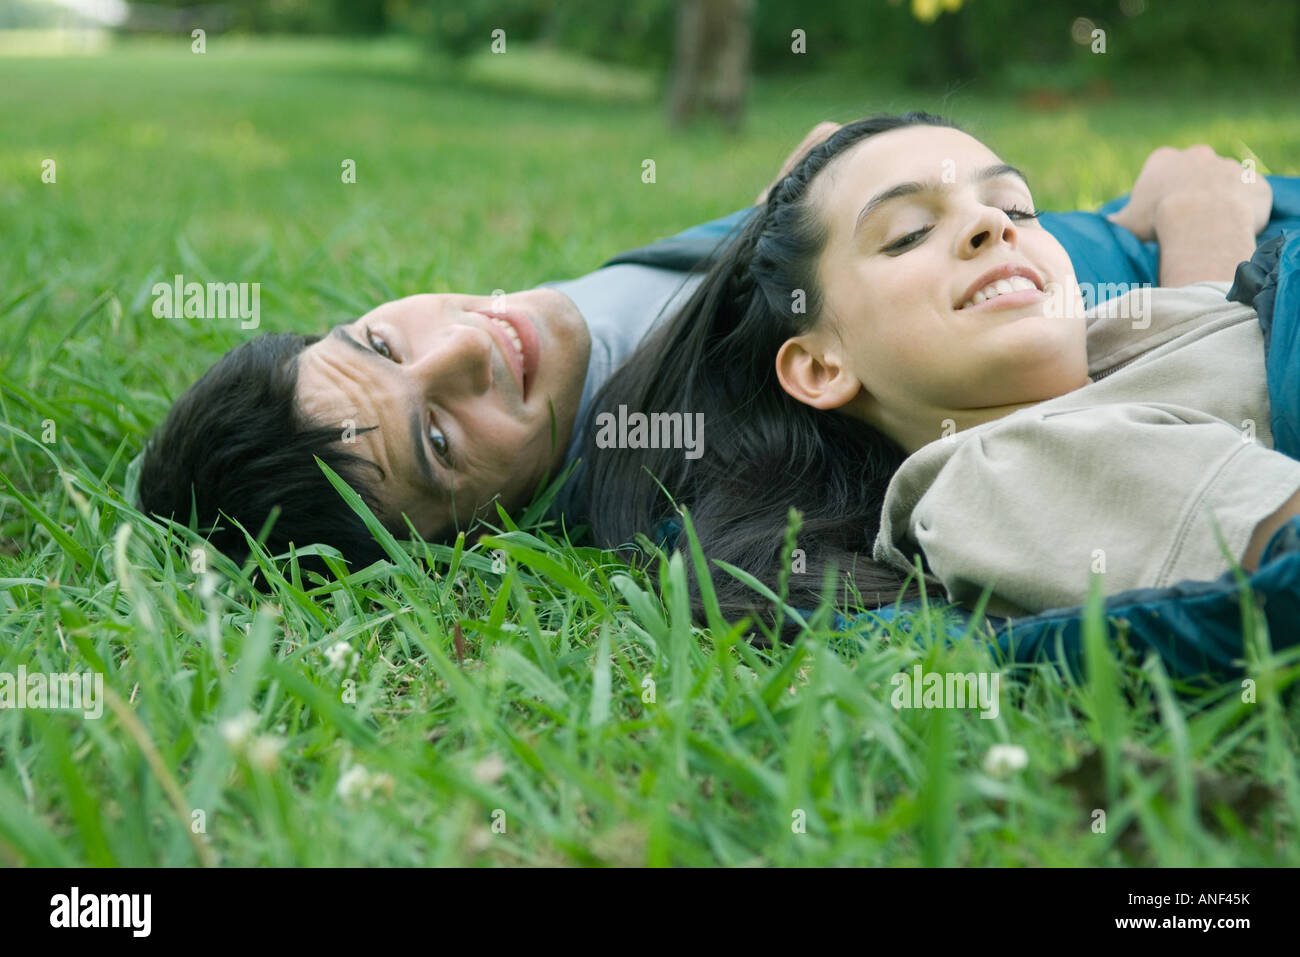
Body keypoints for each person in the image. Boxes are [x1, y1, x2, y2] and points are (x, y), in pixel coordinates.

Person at [572, 111, 1299, 635]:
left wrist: (1199, 221)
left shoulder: (1116, 341)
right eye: (908, 234)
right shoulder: (1003, 471)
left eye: (1014, 204)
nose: (995, 226)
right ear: (821, 366)